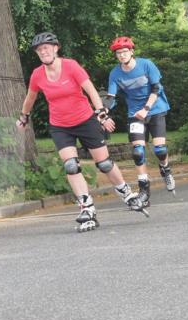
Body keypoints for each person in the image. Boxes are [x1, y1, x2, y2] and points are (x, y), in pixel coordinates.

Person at [17, 32, 142, 232]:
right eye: (40, 50)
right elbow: (30, 98)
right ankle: (86, 208)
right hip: (60, 125)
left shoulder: (71, 66)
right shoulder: (37, 74)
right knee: (71, 166)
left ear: (56, 48)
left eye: (47, 48)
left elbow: (91, 90)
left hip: (85, 120)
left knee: (104, 163)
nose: (44, 52)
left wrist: (101, 113)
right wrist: (24, 116)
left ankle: (126, 193)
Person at [106, 36, 174, 207]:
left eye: (124, 52)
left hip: (155, 108)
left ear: (131, 52)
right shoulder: (115, 73)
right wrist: (104, 111)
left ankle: (165, 168)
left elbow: (156, 88)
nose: (121, 55)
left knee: (160, 150)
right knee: (138, 152)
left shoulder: (146, 64)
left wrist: (146, 109)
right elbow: (111, 97)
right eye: (118, 53)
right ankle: (144, 192)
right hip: (134, 114)